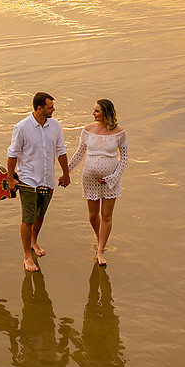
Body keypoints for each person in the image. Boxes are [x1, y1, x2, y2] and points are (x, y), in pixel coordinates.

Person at [7, 92, 71, 272]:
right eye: (50, 107)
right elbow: (12, 154)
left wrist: (66, 173)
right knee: (28, 218)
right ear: (39, 108)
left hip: (47, 179)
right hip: (28, 180)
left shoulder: (55, 125)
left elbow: (61, 151)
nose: (53, 110)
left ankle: (34, 241)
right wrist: (10, 178)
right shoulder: (22, 127)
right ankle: (27, 256)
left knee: (40, 215)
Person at [67, 99, 128, 266]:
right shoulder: (87, 130)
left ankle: (100, 250)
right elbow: (79, 153)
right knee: (93, 215)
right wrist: (67, 172)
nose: (93, 113)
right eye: (94, 110)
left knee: (106, 216)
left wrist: (113, 177)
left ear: (106, 113)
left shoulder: (120, 132)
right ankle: (99, 236)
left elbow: (124, 158)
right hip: (90, 179)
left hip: (111, 181)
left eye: (96, 111)